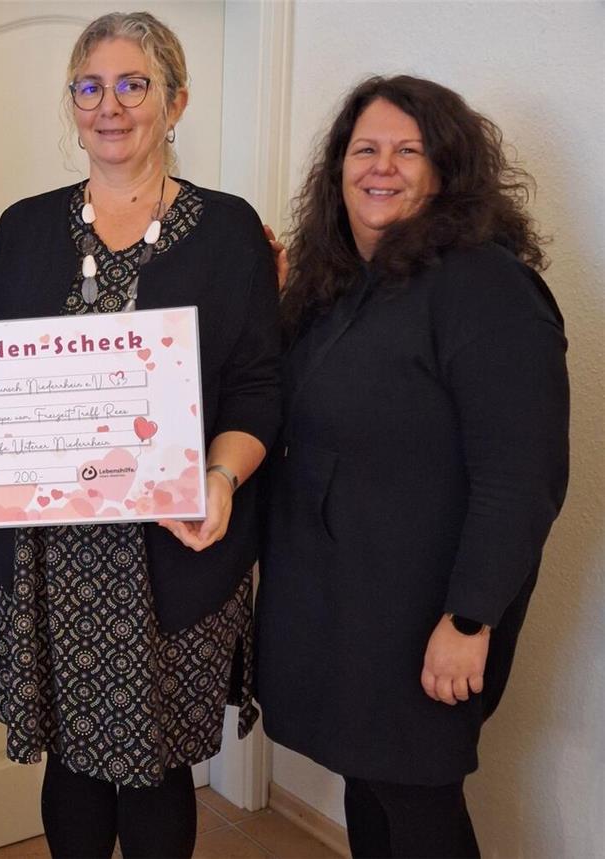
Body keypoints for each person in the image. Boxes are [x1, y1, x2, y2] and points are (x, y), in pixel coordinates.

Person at [0, 12, 280, 858]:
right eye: (90, 86)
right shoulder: (24, 228)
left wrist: (220, 478)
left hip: (175, 546)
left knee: (156, 769)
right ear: (72, 104)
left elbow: (260, 386)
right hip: (48, 555)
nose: (110, 106)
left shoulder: (228, 231)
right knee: (70, 765)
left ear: (175, 102)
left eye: (133, 84)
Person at [255, 75, 569, 858]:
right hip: (342, 602)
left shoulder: (486, 287)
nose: (382, 167)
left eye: (408, 150)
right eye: (365, 149)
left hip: (425, 610)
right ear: (338, 169)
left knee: (418, 802)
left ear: (446, 170)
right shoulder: (334, 288)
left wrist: (469, 620)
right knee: (370, 785)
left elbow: (522, 477)